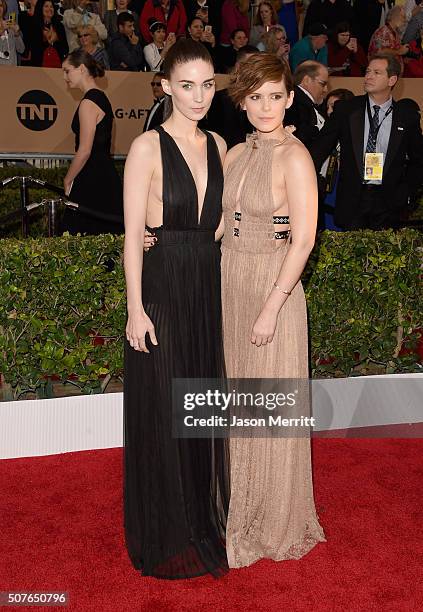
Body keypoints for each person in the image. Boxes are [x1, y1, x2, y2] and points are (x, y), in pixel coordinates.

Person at [123, 38, 229, 579]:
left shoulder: (219, 143)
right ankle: (164, 528)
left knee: (200, 404)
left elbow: (230, 222)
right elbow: (130, 237)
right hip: (163, 286)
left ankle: (200, 519)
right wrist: (134, 310)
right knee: (166, 405)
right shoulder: (147, 148)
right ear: (165, 86)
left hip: (206, 284)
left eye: (208, 84)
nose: (199, 95)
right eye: (186, 85)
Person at [222, 52, 325, 568]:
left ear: (289, 98)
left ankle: (275, 516)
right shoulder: (235, 156)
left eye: (276, 96)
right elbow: (220, 225)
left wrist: (272, 307)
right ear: (242, 101)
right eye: (256, 97)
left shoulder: (295, 156)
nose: (266, 107)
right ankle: (242, 503)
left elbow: (303, 239)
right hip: (230, 281)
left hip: (272, 288)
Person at [310, 53, 423, 230]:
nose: (369, 76)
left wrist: (406, 193)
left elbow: (419, 160)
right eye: (368, 71)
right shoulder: (346, 110)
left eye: (377, 72)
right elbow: (319, 150)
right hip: (352, 199)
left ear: (392, 79)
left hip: (388, 203)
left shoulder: (406, 117)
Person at [61, 49, 124, 235]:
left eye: (67, 70)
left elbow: (85, 150)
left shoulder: (89, 102)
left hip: (91, 177)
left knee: (79, 238)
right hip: (102, 175)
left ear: (81, 69)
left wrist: (68, 179)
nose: (65, 77)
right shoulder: (101, 98)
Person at [204, 44, 256, 148]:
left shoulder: (264, 96)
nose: (254, 70)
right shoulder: (222, 98)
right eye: (250, 65)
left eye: (258, 65)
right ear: (238, 67)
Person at [321, 87, 354, 230]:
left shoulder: (355, 134)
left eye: (334, 107)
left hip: (346, 187)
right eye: (327, 106)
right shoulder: (323, 132)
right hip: (327, 187)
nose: (329, 111)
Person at [283, 60, 329, 149]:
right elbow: (296, 134)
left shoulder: (307, 102)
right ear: (307, 80)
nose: (325, 90)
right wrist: (320, 129)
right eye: (322, 84)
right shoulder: (293, 101)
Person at [28, 0, 68, 67]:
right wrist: (47, 41)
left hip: (58, 65)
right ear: (40, 8)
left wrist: (57, 39)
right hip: (39, 66)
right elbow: (34, 49)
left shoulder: (59, 26)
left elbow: (66, 48)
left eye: (51, 7)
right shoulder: (34, 25)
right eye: (46, 6)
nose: (49, 9)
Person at [368, 5, 409, 72]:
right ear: (395, 16)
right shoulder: (382, 32)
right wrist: (399, 51)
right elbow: (379, 52)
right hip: (383, 75)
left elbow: (392, 50)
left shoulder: (395, 32)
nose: (405, 20)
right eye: (403, 17)